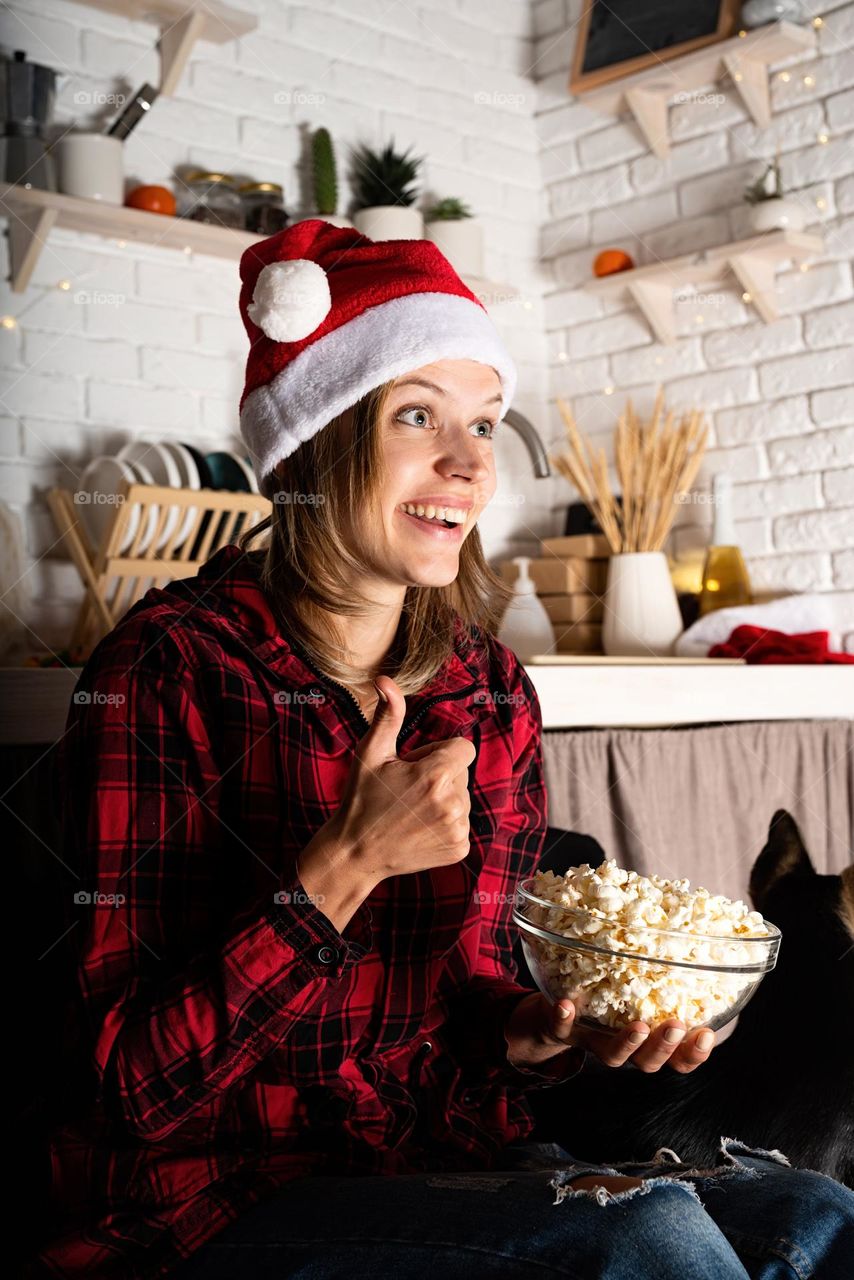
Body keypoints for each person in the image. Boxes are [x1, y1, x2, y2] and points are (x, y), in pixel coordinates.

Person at [25, 222, 853, 1279]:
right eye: (416, 414)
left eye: (484, 424)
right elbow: (131, 1088)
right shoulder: (165, 668)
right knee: (643, 1238)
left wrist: (550, 1031)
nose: (466, 463)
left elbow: (464, 1016)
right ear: (317, 441)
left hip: (434, 1159)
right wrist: (341, 869)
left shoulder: (488, 690)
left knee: (814, 1214)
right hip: (210, 1199)